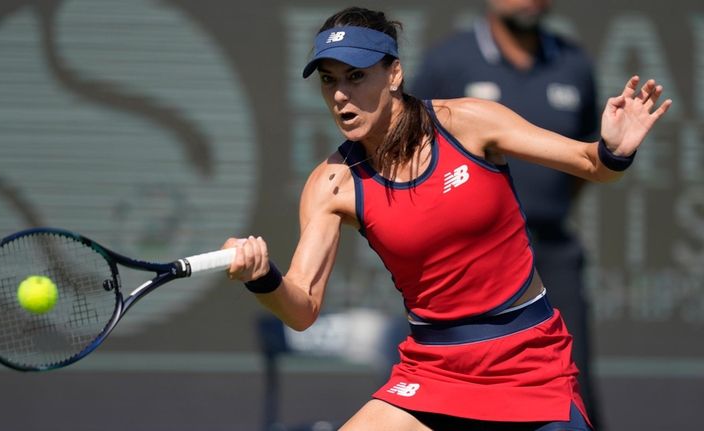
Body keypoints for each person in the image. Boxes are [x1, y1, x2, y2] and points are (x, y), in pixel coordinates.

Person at [223, 6, 670, 430]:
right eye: (329, 80)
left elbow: (591, 164)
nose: (341, 94)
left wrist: (614, 148)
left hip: (529, 363)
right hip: (433, 370)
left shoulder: (468, 124)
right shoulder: (331, 184)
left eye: (356, 76)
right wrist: (262, 278)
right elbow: (301, 309)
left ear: (394, 73)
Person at [409, 0, 603, 426]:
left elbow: (587, 159)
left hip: (550, 251)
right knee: (464, 387)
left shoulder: (574, 63)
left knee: (572, 386)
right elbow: (413, 153)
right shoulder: (449, 61)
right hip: (469, 260)